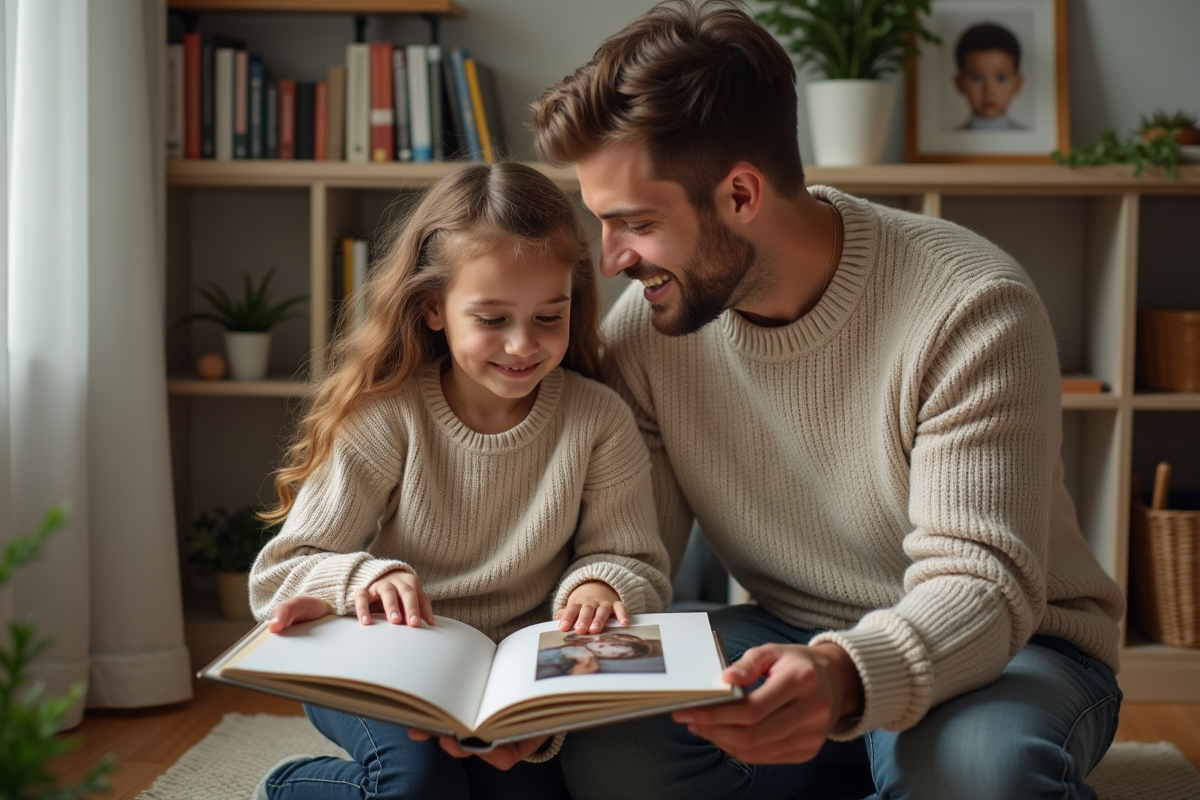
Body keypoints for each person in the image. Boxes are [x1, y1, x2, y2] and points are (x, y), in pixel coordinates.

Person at [528, 1, 1125, 798]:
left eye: (635, 222)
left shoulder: (970, 306)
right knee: (607, 743)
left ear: (741, 195)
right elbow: (634, 552)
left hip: (1014, 643)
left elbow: (982, 587)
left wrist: (844, 676)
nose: (609, 261)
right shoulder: (646, 333)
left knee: (972, 776)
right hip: (787, 628)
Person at [247, 162, 673, 800]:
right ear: (433, 309)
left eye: (548, 318)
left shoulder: (598, 421)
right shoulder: (386, 417)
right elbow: (283, 569)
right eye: (493, 319)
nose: (523, 344)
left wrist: (600, 580)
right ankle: (293, 787)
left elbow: (636, 561)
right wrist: (367, 577)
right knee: (418, 786)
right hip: (385, 660)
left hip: (507, 680)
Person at [952, 21, 1027, 130]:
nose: (989, 91)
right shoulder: (944, 143)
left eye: (1001, 78)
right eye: (976, 78)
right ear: (959, 83)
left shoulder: (1033, 143)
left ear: (1018, 84)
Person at [536, 632, 666, 679]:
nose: (605, 649)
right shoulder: (572, 646)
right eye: (614, 645)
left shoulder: (585, 660)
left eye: (614, 654)